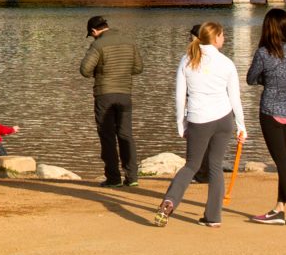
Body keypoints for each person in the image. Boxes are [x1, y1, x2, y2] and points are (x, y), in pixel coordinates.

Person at [157, 21, 242, 227]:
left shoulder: (187, 60)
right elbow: (235, 97)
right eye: (222, 35)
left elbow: (179, 96)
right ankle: (213, 217)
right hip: (223, 119)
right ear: (215, 38)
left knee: (191, 165)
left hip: (198, 119)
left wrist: (180, 123)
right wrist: (241, 125)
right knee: (215, 166)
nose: (225, 39)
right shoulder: (226, 62)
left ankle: (169, 201)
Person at [245, 12, 286, 227]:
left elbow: (250, 79)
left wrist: (266, 78)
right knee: (284, 163)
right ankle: (279, 208)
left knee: (282, 164)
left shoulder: (263, 53)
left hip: (271, 112)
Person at [78, 15, 144, 187]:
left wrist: (102, 72)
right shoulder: (129, 42)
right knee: (126, 135)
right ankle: (132, 177)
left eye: (91, 34)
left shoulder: (98, 44)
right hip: (125, 94)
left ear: (94, 31)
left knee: (107, 136)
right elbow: (138, 68)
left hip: (104, 95)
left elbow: (85, 70)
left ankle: (113, 178)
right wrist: (121, 72)